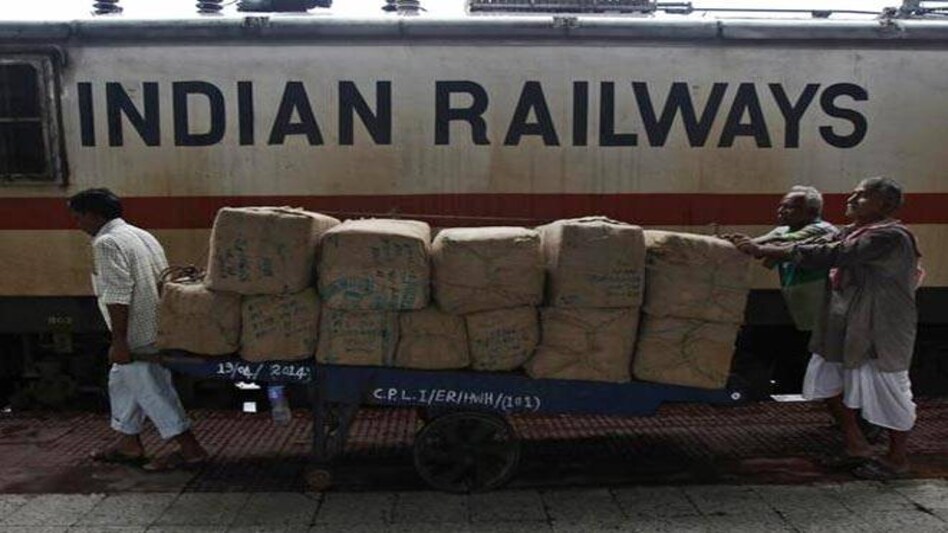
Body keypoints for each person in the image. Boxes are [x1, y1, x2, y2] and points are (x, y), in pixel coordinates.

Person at [731, 177, 922, 480]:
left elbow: (833, 253)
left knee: (888, 390)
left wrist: (766, 249)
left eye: (861, 197)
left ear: (884, 205)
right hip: (844, 325)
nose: (851, 199)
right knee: (827, 378)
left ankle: (897, 460)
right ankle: (856, 446)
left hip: (877, 328)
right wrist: (761, 246)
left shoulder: (890, 237)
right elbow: (818, 244)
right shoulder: (853, 231)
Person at [69, 188, 208, 472]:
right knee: (121, 383)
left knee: (151, 389)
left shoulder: (106, 243)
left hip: (136, 333)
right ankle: (127, 444)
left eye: (79, 216)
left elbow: (118, 294)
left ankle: (191, 449)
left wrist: (119, 341)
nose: (78, 223)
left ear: (94, 215)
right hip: (157, 324)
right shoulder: (141, 234)